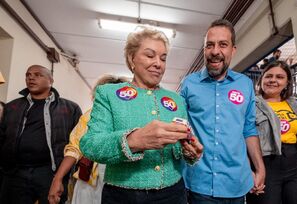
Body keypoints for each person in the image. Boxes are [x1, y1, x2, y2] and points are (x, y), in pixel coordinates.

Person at [79, 27, 203, 204]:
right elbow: (90, 145)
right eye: (150, 55)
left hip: (174, 193)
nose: (158, 63)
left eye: (163, 58)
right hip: (124, 197)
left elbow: (179, 148)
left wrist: (189, 152)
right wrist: (133, 140)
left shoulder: (176, 99)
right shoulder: (108, 94)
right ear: (132, 58)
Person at [180, 19, 265, 203]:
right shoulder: (188, 84)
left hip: (236, 184)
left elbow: (249, 129)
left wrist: (260, 168)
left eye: (223, 44)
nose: (215, 51)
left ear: (233, 50)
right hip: (197, 184)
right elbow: (179, 128)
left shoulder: (245, 84)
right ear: (204, 49)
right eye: (209, 45)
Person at [0, 65, 82, 204]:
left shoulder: (70, 108)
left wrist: (63, 176)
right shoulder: (12, 107)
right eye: (28, 75)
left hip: (50, 172)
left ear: (51, 80)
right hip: (16, 173)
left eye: (38, 75)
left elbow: (78, 142)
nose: (31, 77)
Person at [247, 60, 297, 204]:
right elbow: (242, 139)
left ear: (287, 82)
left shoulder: (294, 103)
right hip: (265, 164)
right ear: (261, 79)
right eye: (268, 76)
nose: (273, 80)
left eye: (279, 77)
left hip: (295, 165)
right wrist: (248, 172)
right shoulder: (250, 104)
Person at [48, 75, 128, 204]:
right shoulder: (89, 116)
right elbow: (74, 148)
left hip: (121, 180)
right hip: (89, 180)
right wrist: (57, 178)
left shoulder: (128, 119)